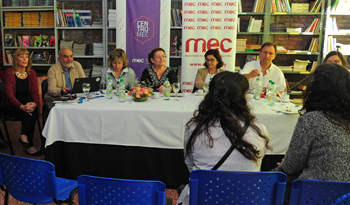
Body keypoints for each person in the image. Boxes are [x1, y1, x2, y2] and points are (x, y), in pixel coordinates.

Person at [177, 72, 270, 205]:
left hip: (204, 198)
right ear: (243, 97)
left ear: (210, 96)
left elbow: (191, 165)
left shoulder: (194, 128)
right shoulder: (260, 131)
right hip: (244, 199)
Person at [276, 63, 350, 204]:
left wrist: (282, 166)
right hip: (346, 197)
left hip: (314, 194)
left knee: (277, 180)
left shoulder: (311, 120)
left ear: (317, 88)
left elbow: (291, 166)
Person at [0, 48, 41, 156]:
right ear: (16, 59)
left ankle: (24, 137)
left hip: (26, 103)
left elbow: (35, 93)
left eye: (26, 56)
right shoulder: (9, 73)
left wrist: (35, 104)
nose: (24, 59)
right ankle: (29, 145)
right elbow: (10, 95)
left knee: (32, 109)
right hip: (11, 105)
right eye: (21, 56)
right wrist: (22, 107)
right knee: (29, 112)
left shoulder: (32, 73)